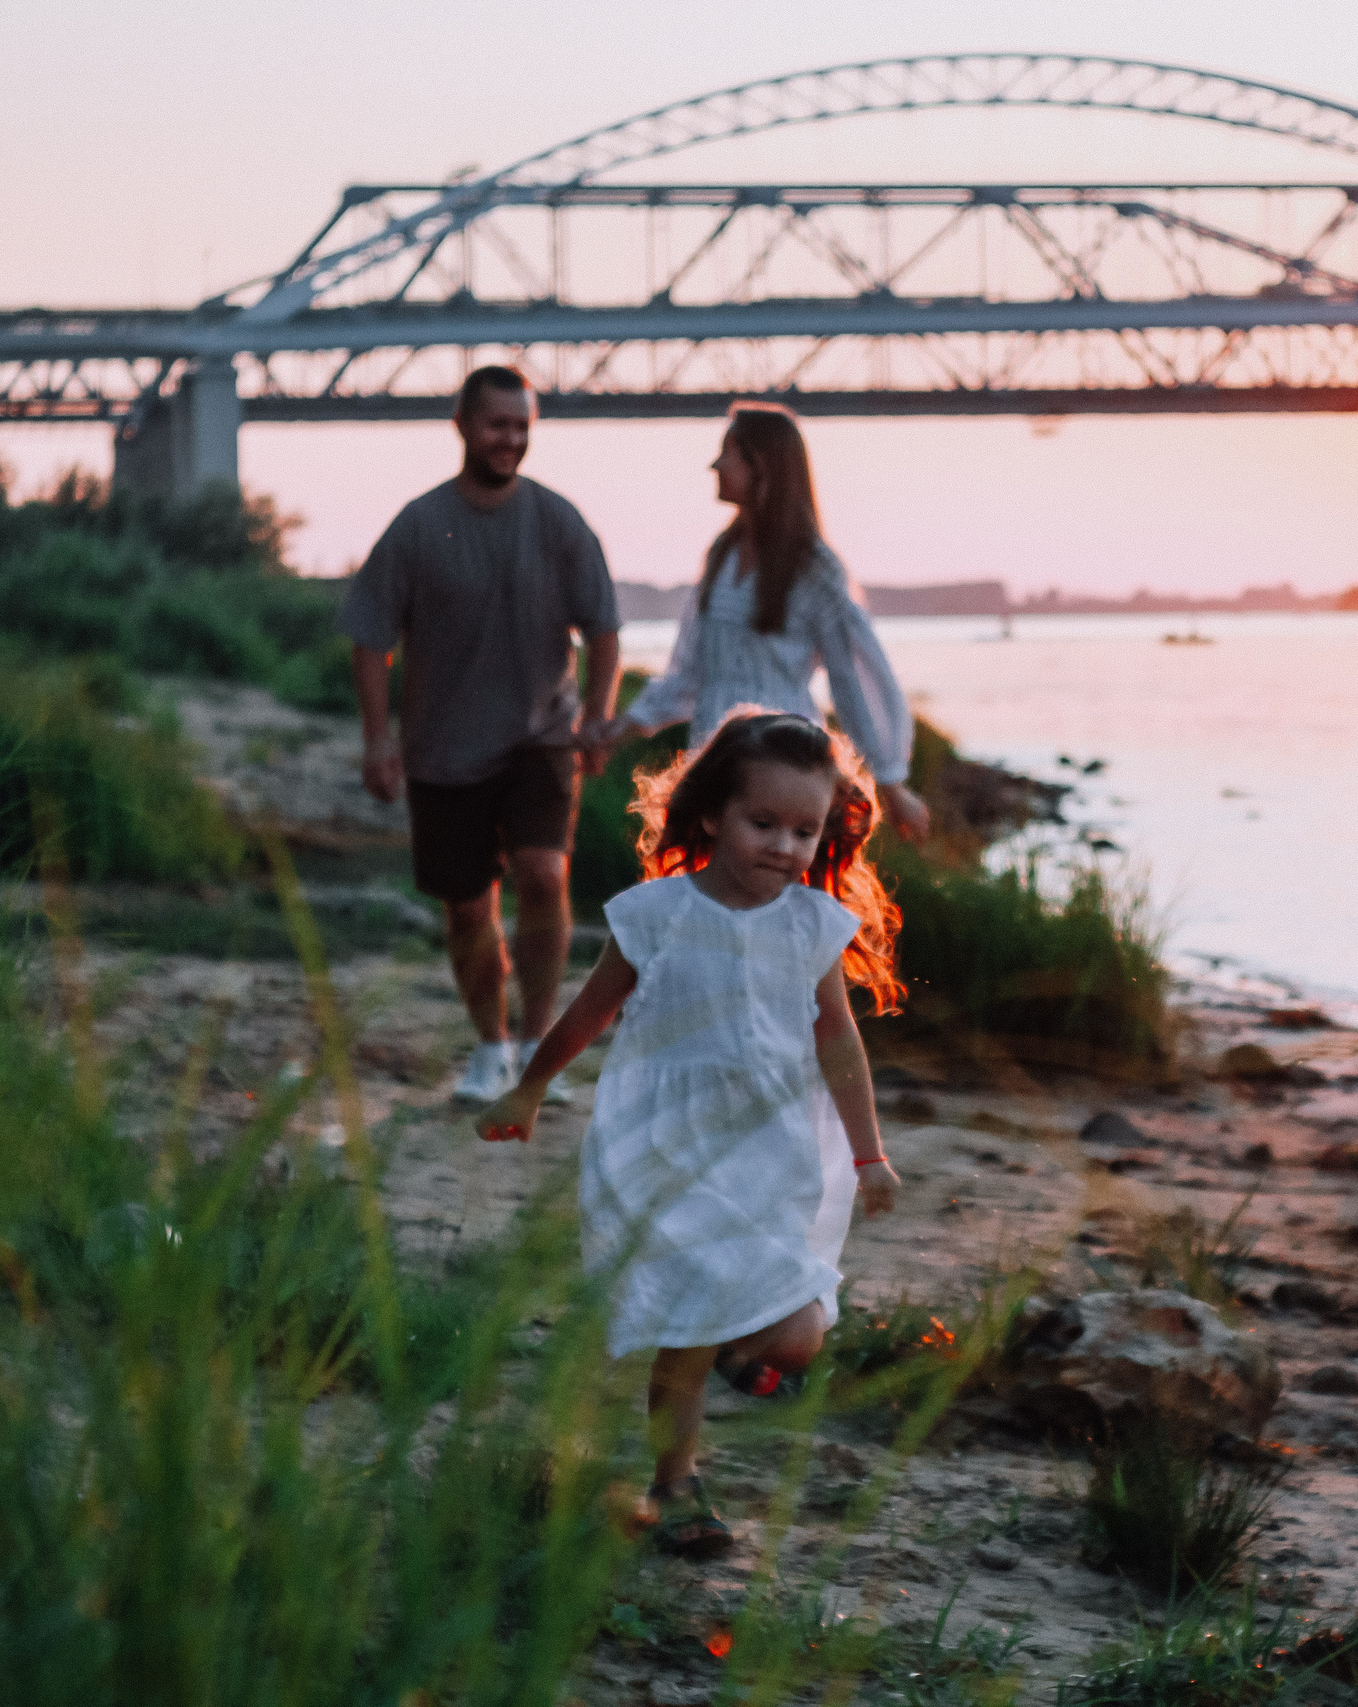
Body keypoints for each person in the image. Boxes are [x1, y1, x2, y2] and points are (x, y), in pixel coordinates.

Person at [473, 712, 905, 1557]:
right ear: (711, 814)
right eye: (764, 822)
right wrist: (529, 1087)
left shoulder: (811, 923)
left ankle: (733, 1361)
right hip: (665, 1144)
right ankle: (676, 1482)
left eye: (805, 829)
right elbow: (591, 1011)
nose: (785, 845)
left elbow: (838, 1040)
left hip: (771, 1146)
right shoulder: (658, 913)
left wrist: (871, 1153)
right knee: (688, 1326)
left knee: (798, 1333)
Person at [339, 364, 621, 1104]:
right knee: (467, 905)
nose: (512, 439)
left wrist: (595, 715)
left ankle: (537, 1044)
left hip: (542, 737)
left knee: (543, 873)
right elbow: (371, 638)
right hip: (443, 749)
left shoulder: (559, 521)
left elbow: (604, 627)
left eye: (523, 426)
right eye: (498, 424)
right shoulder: (418, 525)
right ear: (463, 426)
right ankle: (490, 1045)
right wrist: (377, 740)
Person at [598, 403, 931, 840]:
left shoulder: (814, 569)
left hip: (787, 759)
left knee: (778, 888)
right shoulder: (722, 556)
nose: (714, 465)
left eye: (728, 453)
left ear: (763, 468)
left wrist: (891, 783)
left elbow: (855, 677)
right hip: (717, 757)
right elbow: (691, 674)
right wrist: (615, 732)